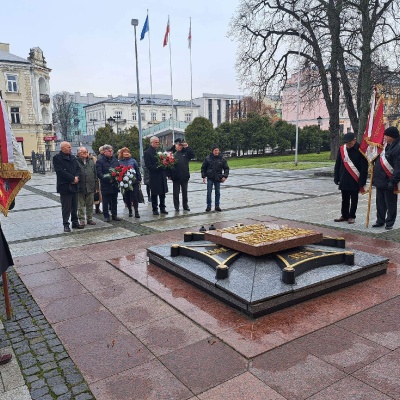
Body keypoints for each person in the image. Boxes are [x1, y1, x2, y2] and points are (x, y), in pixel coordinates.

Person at [333, 132, 368, 224]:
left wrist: (362, 181)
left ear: (354, 141)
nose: (347, 145)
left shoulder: (361, 149)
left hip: (355, 179)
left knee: (354, 198)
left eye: (349, 143)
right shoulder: (342, 149)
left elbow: (364, 167)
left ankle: (352, 216)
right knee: (344, 198)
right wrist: (336, 177)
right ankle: (344, 215)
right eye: (346, 143)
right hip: (344, 178)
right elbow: (338, 164)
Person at [372, 126, 400, 230]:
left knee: (390, 203)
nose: (384, 137)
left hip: (389, 181)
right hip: (380, 180)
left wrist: (393, 182)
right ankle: (380, 220)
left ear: (392, 137)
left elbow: (398, 168)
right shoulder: (386, 146)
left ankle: (390, 222)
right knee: (380, 202)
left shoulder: (397, 148)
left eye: (386, 135)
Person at [53, 141, 84, 232]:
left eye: (70, 147)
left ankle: (75, 222)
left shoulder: (73, 157)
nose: (70, 148)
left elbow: (78, 169)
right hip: (65, 186)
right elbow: (60, 172)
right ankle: (66, 224)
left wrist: (77, 177)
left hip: (75, 185)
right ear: (62, 148)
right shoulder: (57, 158)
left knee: (75, 206)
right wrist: (72, 178)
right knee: (66, 207)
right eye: (68, 147)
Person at [96, 144, 121, 222]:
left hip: (114, 184)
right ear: (104, 152)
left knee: (114, 200)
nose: (111, 152)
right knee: (105, 201)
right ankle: (106, 216)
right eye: (109, 151)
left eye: (111, 151)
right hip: (106, 184)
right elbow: (99, 173)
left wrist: (118, 176)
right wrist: (107, 178)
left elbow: (119, 169)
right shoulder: (100, 161)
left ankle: (114, 215)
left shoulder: (115, 159)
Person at [144, 136, 169, 215]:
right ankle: (155, 209)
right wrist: (159, 167)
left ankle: (162, 208)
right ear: (151, 142)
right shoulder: (147, 152)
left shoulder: (160, 151)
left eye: (158, 142)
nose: (158, 144)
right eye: (156, 142)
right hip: (154, 176)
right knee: (154, 193)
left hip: (162, 175)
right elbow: (148, 166)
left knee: (162, 193)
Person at [201, 144, 230, 212]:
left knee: (217, 192)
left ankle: (217, 206)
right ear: (212, 151)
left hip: (218, 178)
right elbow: (203, 168)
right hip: (210, 178)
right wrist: (203, 176)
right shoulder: (208, 158)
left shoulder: (222, 158)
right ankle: (208, 206)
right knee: (209, 192)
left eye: (217, 150)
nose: (217, 152)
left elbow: (226, 168)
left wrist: (225, 176)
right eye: (215, 150)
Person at [168, 138, 195, 211]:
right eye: (179, 145)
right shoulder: (172, 154)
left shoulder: (186, 152)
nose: (180, 147)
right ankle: (176, 206)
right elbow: (168, 165)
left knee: (185, 192)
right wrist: (169, 175)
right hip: (175, 176)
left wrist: (187, 147)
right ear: (175, 145)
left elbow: (192, 155)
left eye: (181, 145)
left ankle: (185, 205)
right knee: (176, 193)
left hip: (184, 176)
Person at [76, 147, 98, 225]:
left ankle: (90, 218)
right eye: (83, 152)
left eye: (86, 152)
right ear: (78, 154)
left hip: (90, 186)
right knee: (81, 205)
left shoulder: (91, 161)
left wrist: (96, 186)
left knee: (90, 204)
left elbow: (95, 174)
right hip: (80, 187)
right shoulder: (75, 162)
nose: (85, 153)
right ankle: (82, 219)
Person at [118, 147, 142, 218]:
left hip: (134, 182)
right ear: (121, 153)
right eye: (124, 152)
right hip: (125, 183)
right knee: (127, 198)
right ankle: (130, 211)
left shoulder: (133, 161)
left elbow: (137, 170)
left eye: (127, 152)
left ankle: (136, 211)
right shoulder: (119, 161)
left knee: (135, 197)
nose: (126, 153)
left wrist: (139, 179)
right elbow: (118, 171)